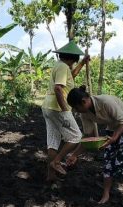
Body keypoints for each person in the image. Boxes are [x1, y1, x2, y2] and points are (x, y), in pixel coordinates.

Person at [66, 86, 123, 204]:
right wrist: (74, 155)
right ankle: (106, 194)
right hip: (113, 128)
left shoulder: (105, 101)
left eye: (76, 108)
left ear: (83, 102)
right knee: (108, 159)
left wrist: (114, 138)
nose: (76, 111)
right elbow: (88, 137)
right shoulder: (85, 114)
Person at [42, 41, 90, 181]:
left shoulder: (60, 66)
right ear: (71, 58)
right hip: (58, 108)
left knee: (53, 141)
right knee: (76, 137)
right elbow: (58, 88)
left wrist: (82, 63)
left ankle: (51, 176)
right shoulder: (63, 67)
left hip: (48, 107)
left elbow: (71, 76)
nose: (74, 65)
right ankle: (56, 162)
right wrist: (65, 111)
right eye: (75, 62)